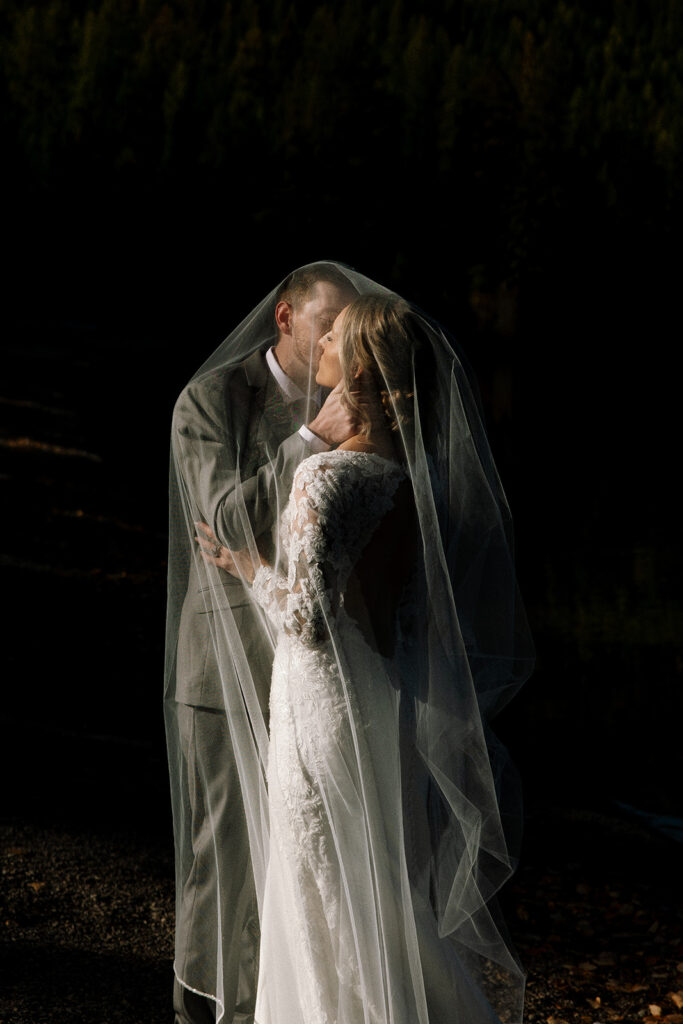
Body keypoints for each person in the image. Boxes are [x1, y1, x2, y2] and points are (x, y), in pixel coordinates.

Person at [192, 287, 535, 1023]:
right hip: (375, 696)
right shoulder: (410, 478)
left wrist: (246, 565)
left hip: (318, 703)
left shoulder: (327, 476)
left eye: (332, 339)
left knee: (325, 891)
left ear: (360, 366)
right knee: (369, 884)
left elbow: (308, 622)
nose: (317, 347)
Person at [165, 263, 377, 1023]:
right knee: (223, 865)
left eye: (350, 332)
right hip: (229, 661)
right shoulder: (209, 400)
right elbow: (224, 519)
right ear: (286, 318)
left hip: (319, 672)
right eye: (329, 328)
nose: (340, 346)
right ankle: (206, 1010)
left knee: (306, 866)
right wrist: (311, 437)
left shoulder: (357, 398)